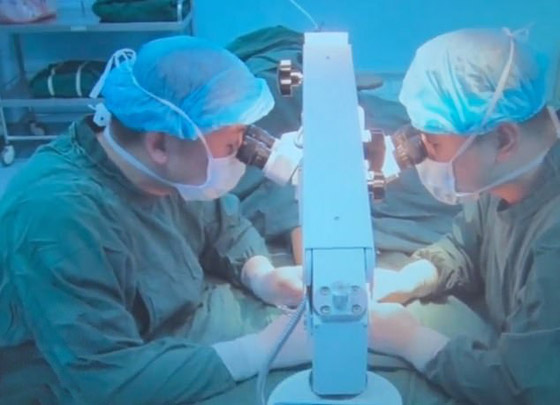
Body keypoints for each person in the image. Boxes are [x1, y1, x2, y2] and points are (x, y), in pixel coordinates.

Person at [0, 36, 310, 404]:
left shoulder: (160, 167)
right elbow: (107, 380)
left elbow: (221, 224)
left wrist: (262, 275)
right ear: (160, 144)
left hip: (170, 331)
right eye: (232, 145)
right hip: (82, 383)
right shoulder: (60, 219)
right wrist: (260, 350)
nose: (241, 154)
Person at [370, 28, 560, 404]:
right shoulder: (507, 179)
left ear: (504, 139)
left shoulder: (553, 240)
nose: (423, 157)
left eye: (434, 144)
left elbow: (521, 387)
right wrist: (412, 278)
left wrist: (411, 340)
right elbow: (466, 246)